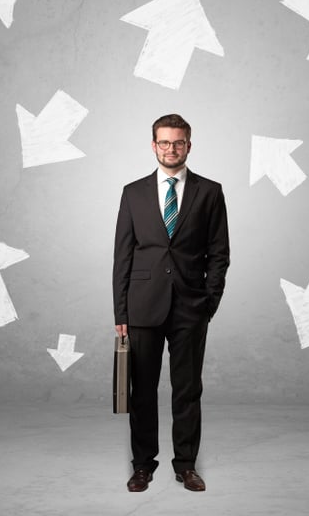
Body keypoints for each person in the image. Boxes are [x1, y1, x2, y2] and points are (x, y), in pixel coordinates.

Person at [112, 113, 230, 493]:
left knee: (187, 389)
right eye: (164, 142)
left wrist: (208, 303)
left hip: (190, 308)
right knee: (142, 391)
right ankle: (143, 465)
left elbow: (219, 253)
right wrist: (121, 313)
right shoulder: (133, 193)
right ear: (153, 145)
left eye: (178, 142)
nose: (171, 149)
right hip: (143, 306)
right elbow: (123, 256)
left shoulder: (210, 192)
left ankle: (186, 465)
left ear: (189, 145)